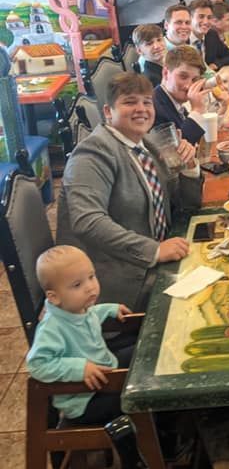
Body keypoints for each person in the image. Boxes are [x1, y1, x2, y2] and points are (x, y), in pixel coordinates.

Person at [56, 72, 202, 312]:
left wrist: (190, 168)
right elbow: (87, 221)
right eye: (129, 102)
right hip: (114, 284)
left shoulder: (145, 146)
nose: (141, 109)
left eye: (147, 102)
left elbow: (184, 206)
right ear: (107, 112)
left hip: (151, 261)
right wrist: (154, 250)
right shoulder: (93, 153)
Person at [27, 246, 131, 423]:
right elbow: (37, 364)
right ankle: (150, 443)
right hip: (84, 400)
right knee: (136, 399)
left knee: (145, 356)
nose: (90, 287)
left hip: (105, 374)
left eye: (91, 277)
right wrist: (79, 368)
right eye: (77, 285)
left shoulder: (76, 307)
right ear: (54, 297)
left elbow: (90, 315)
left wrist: (110, 309)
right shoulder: (52, 328)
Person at [153, 45, 208, 144]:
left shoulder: (175, 101)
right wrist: (197, 110)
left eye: (194, 80)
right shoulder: (155, 108)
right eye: (183, 77)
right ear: (165, 73)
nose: (188, 86)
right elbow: (178, 150)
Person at [189, 0, 229, 70]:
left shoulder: (211, 35)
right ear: (190, 18)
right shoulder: (183, 41)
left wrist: (216, 65)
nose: (206, 22)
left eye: (209, 17)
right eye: (201, 17)